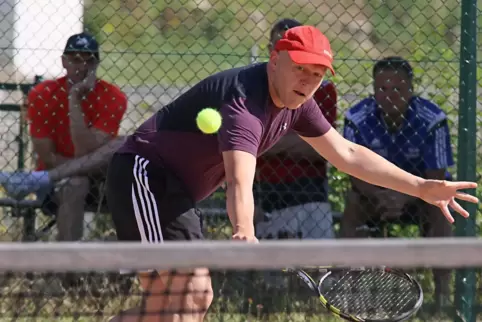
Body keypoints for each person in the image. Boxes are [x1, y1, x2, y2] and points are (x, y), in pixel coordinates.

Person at [104, 26, 477, 322]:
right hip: (146, 176)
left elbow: (346, 153)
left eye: (316, 74)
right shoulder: (244, 103)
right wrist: (244, 230)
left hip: (173, 191)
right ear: (274, 60)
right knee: (185, 296)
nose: (307, 80)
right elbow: (239, 177)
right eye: (299, 68)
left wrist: (420, 186)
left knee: (180, 302)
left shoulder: (299, 104)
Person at [340, 56, 455, 306]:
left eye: (397, 89)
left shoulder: (432, 119)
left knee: (441, 209)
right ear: (373, 90)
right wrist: (381, 195)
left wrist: (404, 195)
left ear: (410, 89)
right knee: (352, 205)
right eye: (382, 89)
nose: (389, 95)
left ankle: (443, 295)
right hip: (374, 196)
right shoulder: (357, 118)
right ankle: (350, 293)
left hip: (421, 197)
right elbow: (353, 172)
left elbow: (436, 178)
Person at [0, 32, 128, 242]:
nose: (82, 66)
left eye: (89, 60)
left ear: (97, 64)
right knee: (76, 183)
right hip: (58, 179)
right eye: (75, 59)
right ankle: (68, 269)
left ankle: (31, 182)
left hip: (101, 180)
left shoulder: (113, 96)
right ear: (64, 61)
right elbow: (48, 157)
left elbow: (84, 151)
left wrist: (74, 98)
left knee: (122, 145)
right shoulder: (42, 93)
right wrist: (84, 166)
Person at [255, 18, 337, 241]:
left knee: (320, 265)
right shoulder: (252, 86)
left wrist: (267, 140)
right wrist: (294, 141)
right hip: (264, 189)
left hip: (308, 189)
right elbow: (243, 148)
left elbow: (322, 150)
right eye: (282, 46)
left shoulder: (321, 89)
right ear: (272, 52)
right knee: (269, 272)